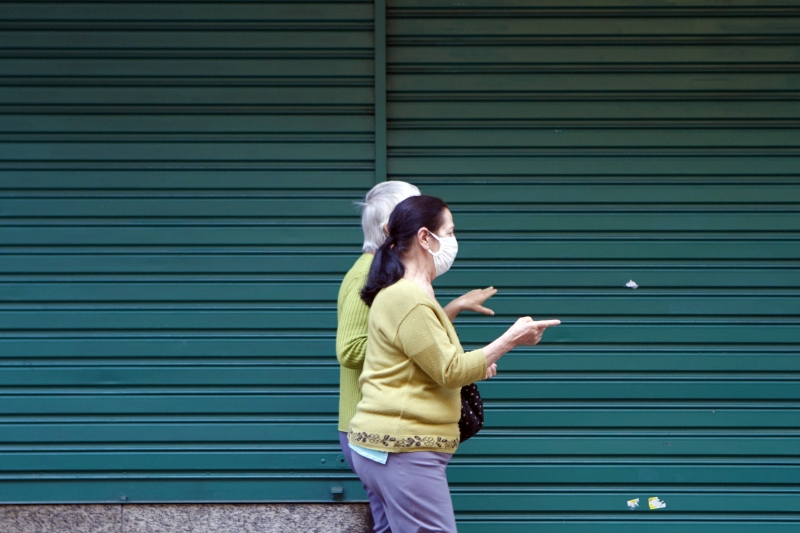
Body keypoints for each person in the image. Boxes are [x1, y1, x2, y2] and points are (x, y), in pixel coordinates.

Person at [348, 195, 560, 533]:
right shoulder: (409, 298)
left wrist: (477, 363)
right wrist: (510, 339)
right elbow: (449, 371)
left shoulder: (407, 293)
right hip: (403, 448)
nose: (453, 240)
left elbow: (427, 361)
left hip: (387, 446)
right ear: (424, 237)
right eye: (449, 232)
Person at [336, 183, 498, 533]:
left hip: (384, 428)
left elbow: (407, 334)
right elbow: (351, 348)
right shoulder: (372, 275)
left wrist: (448, 311)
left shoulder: (394, 279)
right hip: (383, 427)